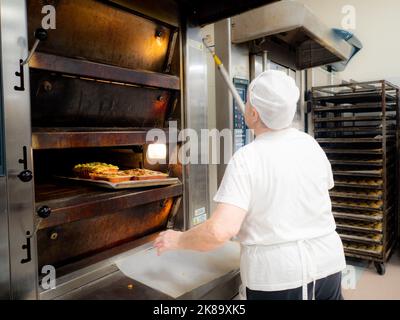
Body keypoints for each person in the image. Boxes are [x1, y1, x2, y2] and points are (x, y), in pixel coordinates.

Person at [154, 70, 346, 300]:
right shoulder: (311, 145)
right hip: (328, 264)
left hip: (279, 278)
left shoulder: (248, 158)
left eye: (247, 103)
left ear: (253, 113)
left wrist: (178, 239)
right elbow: (309, 199)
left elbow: (219, 230)